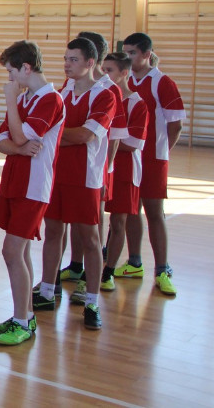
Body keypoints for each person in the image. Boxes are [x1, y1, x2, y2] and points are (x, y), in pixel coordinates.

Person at [36, 38, 115, 332]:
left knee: (90, 238)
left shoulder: (106, 95)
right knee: (53, 231)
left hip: (86, 177)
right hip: (56, 173)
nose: (67, 64)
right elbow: (51, 130)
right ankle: (47, 290)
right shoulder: (62, 92)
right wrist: (60, 134)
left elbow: (86, 136)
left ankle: (92, 302)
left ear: (90, 62)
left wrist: (56, 133)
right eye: (65, 58)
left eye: (73, 59)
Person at [0, 41, 64, 346]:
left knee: (11, 251)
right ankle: (25, 314)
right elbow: (3, 141)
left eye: (11, 72)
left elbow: (18, 136)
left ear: (26, 68)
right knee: (20, 252)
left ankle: (22, 321)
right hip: (15, 180)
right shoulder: (26, 98)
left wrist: (10, 102)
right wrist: (18, 146)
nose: (9, 79)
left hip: (34, 186)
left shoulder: (50, 99)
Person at [119, 32, 185, 296]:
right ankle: (134, 262)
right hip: (129, 156)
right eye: (125, 52)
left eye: (132, 53)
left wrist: (161, 152)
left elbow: (176, 124)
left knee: (155, 212)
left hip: (153, 158)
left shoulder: (162, 82)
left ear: (147, 55)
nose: (128, 57)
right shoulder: (124, 81)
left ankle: (162, 269)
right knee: (131, 210)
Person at [99, 52, 148, 292]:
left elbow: (134, 142)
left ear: (124, 73)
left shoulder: (138, 104)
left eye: (109, 70)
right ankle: (85, 267)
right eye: (103, 69)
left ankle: (108, 272)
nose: (104, 74)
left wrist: (106, 138)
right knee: (94, 220)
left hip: (125, 170)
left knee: (118, 222)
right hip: (101, 167)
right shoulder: (101, 97)